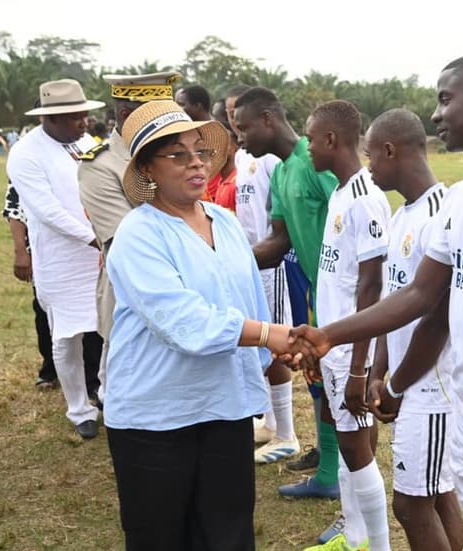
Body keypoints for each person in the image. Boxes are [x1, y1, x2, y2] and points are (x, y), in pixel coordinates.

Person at [291, 53, 463, 551]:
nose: (436, 114)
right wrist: (330, 336)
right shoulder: (461, 199)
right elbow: (419, 295)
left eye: (444, 99)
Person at [104, 100, 306, 550]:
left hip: (225, 406)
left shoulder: (226, 223)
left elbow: (249, 299)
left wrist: (277, 348)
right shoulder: (138, 234)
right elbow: (184, 322)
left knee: (228, 534)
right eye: (178, 154)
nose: (195, 163)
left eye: (201, 151)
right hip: (156, 418)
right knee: (161, 538)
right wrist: (270, 335)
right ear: (148, 168)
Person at [233, 87, 344, 515]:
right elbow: (279, 241)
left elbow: (349, 217)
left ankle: (342, 480)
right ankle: (328, 473)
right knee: (317, 379)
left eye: (243, 127)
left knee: (341, 387)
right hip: (314, 290)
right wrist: (227, 261)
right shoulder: (280, 173)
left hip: (343, 295)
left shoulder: (314, 164)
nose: (239, 137)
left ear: (267, 119)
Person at [362, 107, 463, 551]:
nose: (368, 166)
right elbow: (394, 302)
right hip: (406, 382)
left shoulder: (441, 214)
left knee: (411, 504)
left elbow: (437, 319)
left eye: (370, 156)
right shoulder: (403, 214)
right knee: (436, 493)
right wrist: (379, 371)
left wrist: (397, 386)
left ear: (390, 150)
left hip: (433, 386)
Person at [301, 99, 391, 551]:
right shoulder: (339, 193)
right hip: (333, 346)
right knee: (347, 440)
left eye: (311, 139)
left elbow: (371, 287)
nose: (308, 147)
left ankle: (377, 544)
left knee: (356, 449)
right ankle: (354, 536)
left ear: (332, 139)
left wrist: (359, 368)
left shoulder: (366, 198)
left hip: (353, 350)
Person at [7, 79, 106, 439]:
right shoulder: (25, 153)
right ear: (50, 118)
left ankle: (108, 394)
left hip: (99, 255)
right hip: (61, 261)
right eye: (75, 117)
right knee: (67, 337)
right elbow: (46, 211)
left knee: (108, 327)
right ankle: (79, 409)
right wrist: (94, 239)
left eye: (84, 114)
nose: (84, 122)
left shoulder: (87, 142)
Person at [78, 71, 182, 405]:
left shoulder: (174, 156)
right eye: (158, 116)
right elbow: (128, 242)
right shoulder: (100, 166)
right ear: (126, 114)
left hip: (181, 289)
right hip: (130, 296)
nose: (168, 124)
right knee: (128, 394)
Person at [224, 84, 300, 464]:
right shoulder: (245, 157)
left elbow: (279, 230)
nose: (236, 130)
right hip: (252, 262)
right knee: (259, 343)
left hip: (272, 266)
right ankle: (270, 422)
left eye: (240, 121)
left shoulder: (275, 160)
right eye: (230, 119)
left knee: (276, 344)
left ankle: (287, 433)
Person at [3, 179, 104, 393]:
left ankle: (93, 380)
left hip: (87, 252)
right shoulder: (28, 164)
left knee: (92, 314)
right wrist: (20, 251)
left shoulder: (83, 160)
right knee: (47, 314)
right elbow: (14, 208)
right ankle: (50, 369)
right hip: (48, 253)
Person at [212, 123, 239, 212]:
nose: (212, 152)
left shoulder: (237, 183)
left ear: (233, 148)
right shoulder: (222, 182)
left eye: (218, 145)